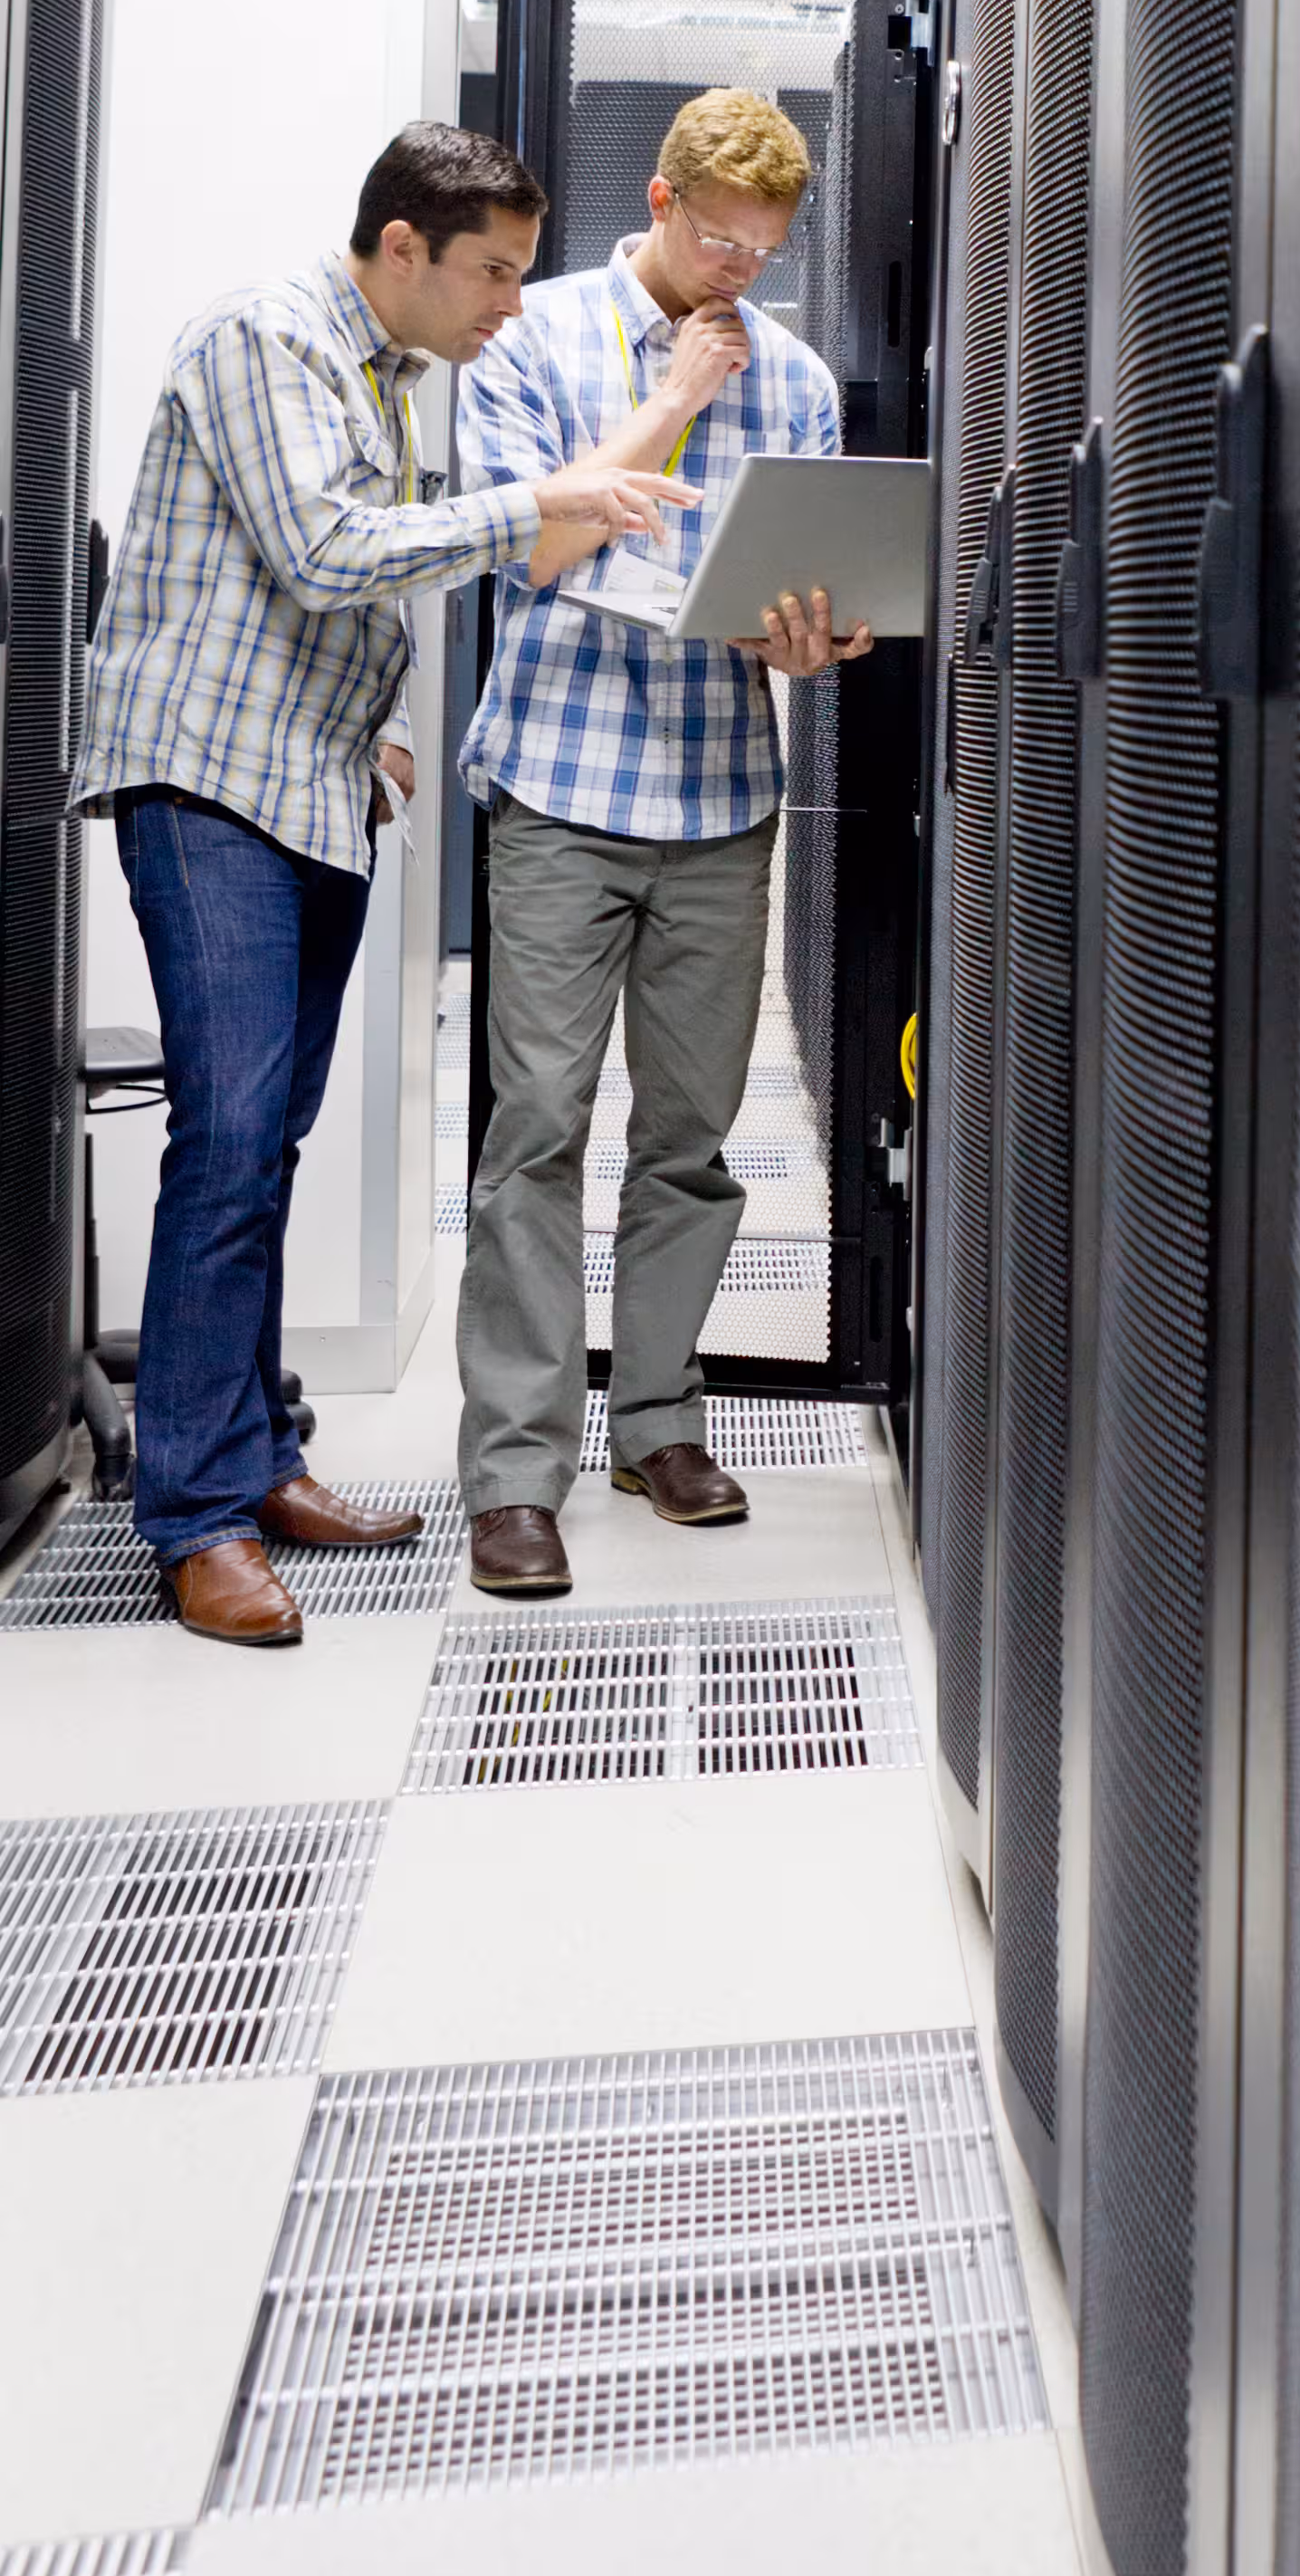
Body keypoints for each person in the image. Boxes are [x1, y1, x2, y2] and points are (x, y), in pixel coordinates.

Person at [71, 122, 691, 1647]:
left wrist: (388, 732)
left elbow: (359, 583)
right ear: (401, 248)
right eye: (491, 274)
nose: (507, 307)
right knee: (225, 1144)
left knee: (266, 1141)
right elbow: (329, 549)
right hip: (208, 781)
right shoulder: (264, 338)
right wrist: (546, 504)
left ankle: (256, 1456)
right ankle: (197, 1517)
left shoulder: (399, 378)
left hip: (310, 787)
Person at [452, 87, 871, 1597]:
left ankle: (659, 1420)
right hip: (562, 789)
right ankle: (515, 1470)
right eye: (715, 240)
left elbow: (796, 584)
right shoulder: (534, 336)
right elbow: (539, 543)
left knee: (690, 1143)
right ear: (658, 200)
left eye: (761, 252)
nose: (735, 275)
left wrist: (816, 637)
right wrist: (681, 388)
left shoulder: (803, 378)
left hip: (716, 796)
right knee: (536, 1135)